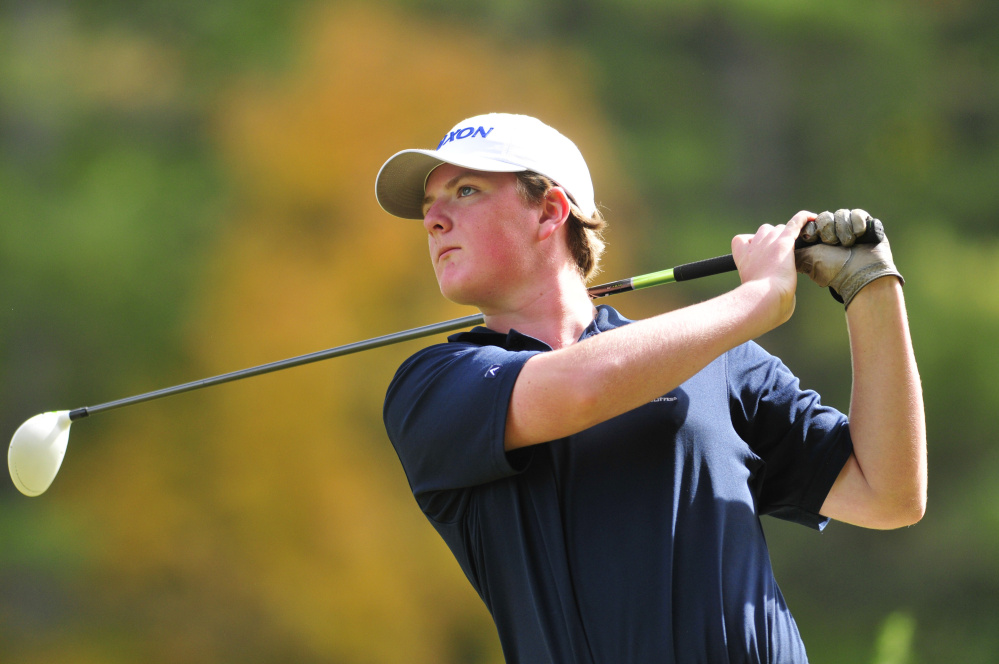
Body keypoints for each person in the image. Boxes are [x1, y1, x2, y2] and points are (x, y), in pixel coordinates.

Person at [376, 113, 926, 663]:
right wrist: (757, 300)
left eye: (464, 191)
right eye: (428, 208)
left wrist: (870, 288)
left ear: (549, 211)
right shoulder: (432, 385)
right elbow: (584, 387)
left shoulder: (717, 356)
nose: (435, 221)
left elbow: (889, 494)